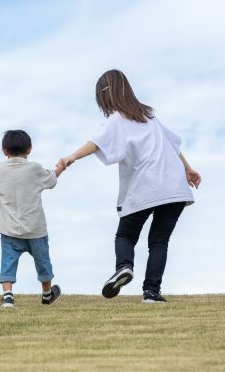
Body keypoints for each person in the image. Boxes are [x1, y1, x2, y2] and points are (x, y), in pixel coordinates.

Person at [57, 69, 201, 303]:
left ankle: (124, 266)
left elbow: (95, 142)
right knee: (159, 241)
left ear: (105, 95)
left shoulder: (117, 119)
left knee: (125, 235)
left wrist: (70, 157)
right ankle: (151, 292)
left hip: (146, 186)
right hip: (174, 186)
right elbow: (172, 145)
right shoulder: (149, 115)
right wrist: (188, 168)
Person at [0, 130, 65, 308]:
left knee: (8, 262)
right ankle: (47, 294)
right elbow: (51, 179)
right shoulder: (35, 169)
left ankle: (8, 296)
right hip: (35, 229)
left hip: (9, 229)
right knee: (43, 262)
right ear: (29, 149)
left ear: (4, 150)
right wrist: (61, 167)